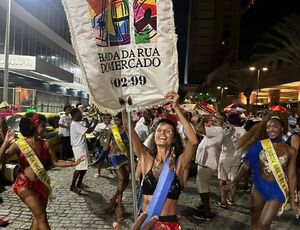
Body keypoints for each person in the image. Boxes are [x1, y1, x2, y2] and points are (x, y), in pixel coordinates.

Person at [123, 92, 198, 229]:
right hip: (145, 222)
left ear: (174, 138)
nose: (162, 133)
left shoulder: (180, 162)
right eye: (159, 130)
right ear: (154, 134)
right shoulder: (146, 157)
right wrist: (122, 106)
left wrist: (176, 108)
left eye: (168, 131)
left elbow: (193, 141)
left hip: (168, 224)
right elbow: (128, 128)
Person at [0, 113, 83, 230]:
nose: (45, 128)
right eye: (43, 125)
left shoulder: (46, 143)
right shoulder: (19, 144)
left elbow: (55, 162)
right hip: (24, 184)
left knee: (38, 216)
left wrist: (73, 163)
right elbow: (1, 158)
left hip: (41, 184)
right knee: (42, 217)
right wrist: (6, 142)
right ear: (34, 125)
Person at [228, 114, 300, 229]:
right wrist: (234, 182)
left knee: (264, 223)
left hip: (277, 189)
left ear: (282, 128)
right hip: (259, 186)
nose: (271, 129)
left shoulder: (291, 151)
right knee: (255, 217)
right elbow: (247, 164)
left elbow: (292, 176)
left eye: (275, 126)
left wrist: (293, 201)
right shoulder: (260, 145)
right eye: (268, 127)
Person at [193, 113, 225, 220]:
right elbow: (197, 130)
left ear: (220, 120)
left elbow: (200, 129)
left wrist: (203, 120)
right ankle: (204, 204)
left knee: (203, 186)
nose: (212, 118)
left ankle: (207, 212)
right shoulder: (214, 129)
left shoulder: (218, 129)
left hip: (207, 162)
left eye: (215, 117)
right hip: (204, 161)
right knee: (200, 184)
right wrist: (198, 121)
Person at [102, 113, 130, 223]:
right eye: (115, 120)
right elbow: (106, 145)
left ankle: (114, 200)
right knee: (121, 179)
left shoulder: (128, 129)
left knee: (126, 181)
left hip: (125, 156)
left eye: (119, 120)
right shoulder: (111, 130)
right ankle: (119, 208)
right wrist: (100, 159)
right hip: (114, 156)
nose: (117, 122)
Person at [70, 108, 98, 193]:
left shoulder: (78, 123)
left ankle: (79, 183)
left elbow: (86, 128)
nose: (81, 115)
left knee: (84, 167)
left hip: (82, 146)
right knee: (79, 167)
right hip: (78, 148)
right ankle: (73, 185)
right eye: (80, 114)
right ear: (75, 115)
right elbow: (89, 131)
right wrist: (95, 123)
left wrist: (88, 122)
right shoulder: (75, 124)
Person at [91, 113, 113, 178]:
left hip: (110, 144)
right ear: (103, 119)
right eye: (107, 118)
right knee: (101, 157)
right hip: (101, 143)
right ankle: (98, 172)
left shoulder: (113, 126)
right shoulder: (99, 125)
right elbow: (94, 133)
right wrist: (96, 133)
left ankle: (111, 173)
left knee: (109, 158)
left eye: (110, 118)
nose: (108, 119)